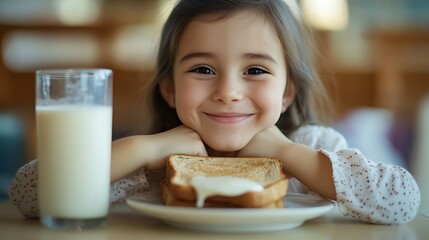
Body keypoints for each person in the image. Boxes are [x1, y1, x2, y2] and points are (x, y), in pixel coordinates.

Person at [9, 0, 420, 225]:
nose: (227, 92)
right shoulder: (151, 166)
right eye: (203, 70)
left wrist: (289, 155)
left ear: (287, 94)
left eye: (255, 70)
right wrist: (140, 148)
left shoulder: (312, 148)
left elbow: (403, 202)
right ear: (169, 89)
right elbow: (26, 195)